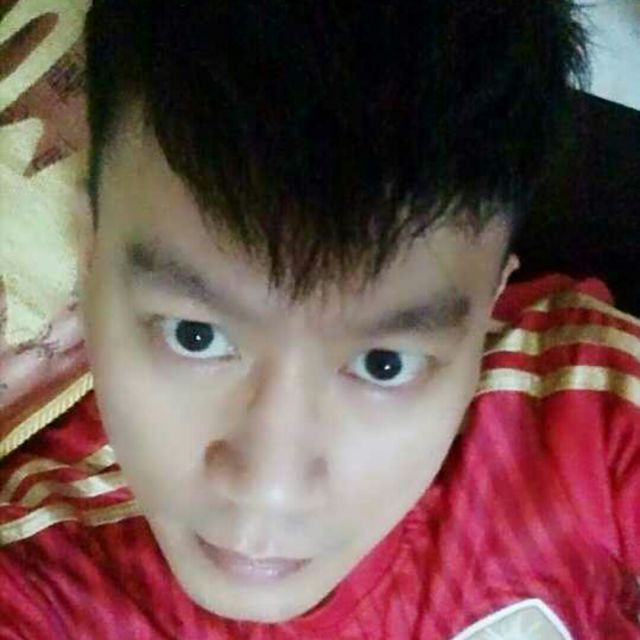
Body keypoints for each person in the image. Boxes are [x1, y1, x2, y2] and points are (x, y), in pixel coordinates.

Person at [1, 1, 639, 638]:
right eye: (195, 336)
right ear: (89, 259)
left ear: (489, 304)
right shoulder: (41, 570)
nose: (269, 489)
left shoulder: (585, 411)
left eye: (383, 364)